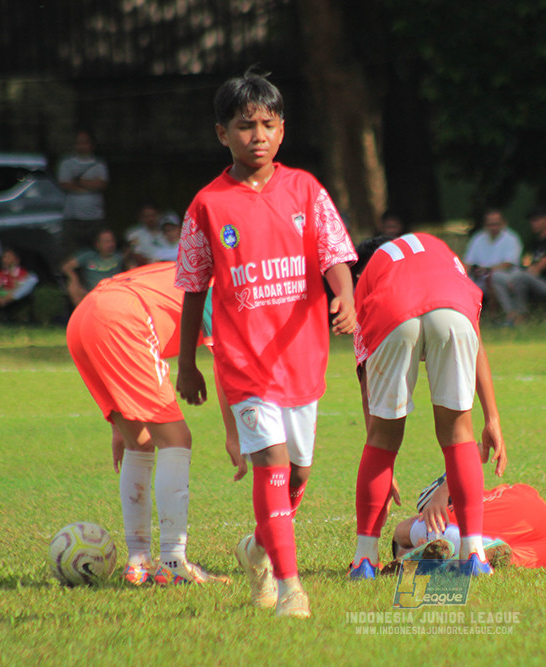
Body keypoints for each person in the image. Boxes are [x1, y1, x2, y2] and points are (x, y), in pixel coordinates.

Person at [174, 70, 357, 619]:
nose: (257, 134)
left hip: (302, 357)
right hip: (245, 363)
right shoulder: (207, 205)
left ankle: (257, 549)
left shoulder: (307, 190)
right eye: (244, 125)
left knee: (298, 473)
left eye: (268, 124)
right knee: (272, 464)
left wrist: (343, 296)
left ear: (283, 131)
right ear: (221, 134)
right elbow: (192, 287)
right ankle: (290, 586)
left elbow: (334, 254)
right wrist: (187, 364)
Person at [67, 262, 238, 587]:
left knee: (141, 441)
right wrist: (234, 435)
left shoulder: (190, 265)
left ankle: (139, 562)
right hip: (124, 317)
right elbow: (226, 363)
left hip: (85, 315)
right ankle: (174, 561)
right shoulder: (224, 283)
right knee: (176, 439)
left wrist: (119, 425)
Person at [349, 233, 506, 579]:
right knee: (458, 435)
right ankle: (474, 555)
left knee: (383, 440)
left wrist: (380, 463)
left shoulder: (368, 280)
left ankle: (364, 561)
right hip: (454, 310)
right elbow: (475, 338)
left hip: (393, 312)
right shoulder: (439, 251)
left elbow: (366, 389)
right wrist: (491, 418)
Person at [389, 474, 546, 570]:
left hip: (476, 536)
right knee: (512, 556)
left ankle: (468, 550)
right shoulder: (512, 490)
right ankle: (463, 555)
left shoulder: (451, 511)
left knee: (402, 531)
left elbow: (399, 532)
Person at [491, 207, 546, 326]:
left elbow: (541, 266)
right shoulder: (535, 242)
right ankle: (512, 314)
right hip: (531, 279)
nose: (533, 223)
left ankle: (519, 318)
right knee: (497, 277)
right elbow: (528, 264)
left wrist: (516, 277)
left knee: (519, 278)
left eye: (536, 219)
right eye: (531, 220)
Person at [57, 129, 109, 256]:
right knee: (71, 253)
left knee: (97, 253)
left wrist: (79, 182)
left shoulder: (99, 164)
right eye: (79, 143)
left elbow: (102, 184)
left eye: (85, 142)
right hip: (72, 218)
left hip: (95, 218)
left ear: (91, 145)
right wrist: (90, 185)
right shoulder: (66, 163)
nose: (82, 146)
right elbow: (65, 184)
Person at [462, 208, 522, 296]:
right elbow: (468, 263)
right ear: (485, 225)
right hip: (480, 278)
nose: (493, 228)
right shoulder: (477, 239)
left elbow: (508, 264)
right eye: (490, 225)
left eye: (496, 224)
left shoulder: (512, 239)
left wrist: (487, 270)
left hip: (504, 277)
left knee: (495, 278)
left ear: (504, 223)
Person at [62, 229, 125, 307]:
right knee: (72, 287)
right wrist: (74, 279)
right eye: (106, 242)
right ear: (97, 244)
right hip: (92, 294)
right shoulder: (88, 256)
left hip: (116, 292)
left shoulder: (120, 256)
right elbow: (66, 266)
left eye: (112, 241)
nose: (110, 244)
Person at [0, 247, 39, 323]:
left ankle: (5, 300)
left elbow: (19, 287)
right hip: (3, 294)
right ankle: (1, 301)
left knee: (32, 279)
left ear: (16, 260)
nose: (5, 260)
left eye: (8, 257)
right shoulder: (0, 274)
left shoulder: (22, 273)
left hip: (15, 295)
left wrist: (7, 296)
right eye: (4, 257)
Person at [125, 201, 174, 265]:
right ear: (141, 217)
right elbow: (137, 256)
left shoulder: (167, 230)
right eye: (147, 216)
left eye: (153, 215)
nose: (151, 219)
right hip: (149, 267)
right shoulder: (134, 234)